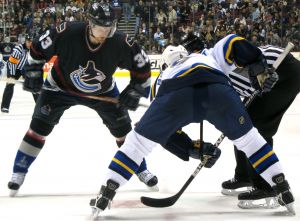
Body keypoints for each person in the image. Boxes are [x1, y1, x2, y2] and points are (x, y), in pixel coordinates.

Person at [89, 34, 295, 216]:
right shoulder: (208, 55)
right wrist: (257, 66)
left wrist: (191, 148)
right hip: (217, 90)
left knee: (136, 145)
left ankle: (107, 191)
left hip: (174, 94)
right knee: (250, 141)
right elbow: (234, 42)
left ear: (163, 65)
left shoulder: (160, 79)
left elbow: (167, 135)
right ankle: (281, 187)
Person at [7, 1, 158, 197]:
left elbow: (143, 69)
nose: (105, 32)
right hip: (58, 88)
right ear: (90, 23)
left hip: (103, 93)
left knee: (124, 134)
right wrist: (34, 72)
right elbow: (37, 49)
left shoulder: (122, 43)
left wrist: (135, 90)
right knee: (38, 129)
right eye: (100, 27)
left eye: (109, 27)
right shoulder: (66, 32)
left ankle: (141, 169)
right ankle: (18, 172)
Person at [220, 45, 300, 209]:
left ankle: (265, 187)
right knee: (241, 125)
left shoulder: (210, 71)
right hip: (266, 73)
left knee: (257, 129)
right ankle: (244, 175)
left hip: (283, 71)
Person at [1, 34, 39, 113]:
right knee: (10, 85)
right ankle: (5, 106)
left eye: (32, 42)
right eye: (28, 42)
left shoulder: (36, 49)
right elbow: (12, 62)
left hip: (26, 69)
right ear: (25, 41)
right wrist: (11, 75)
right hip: (15, 68)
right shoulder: (19, 49)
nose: (30, 44)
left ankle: (39, 106)